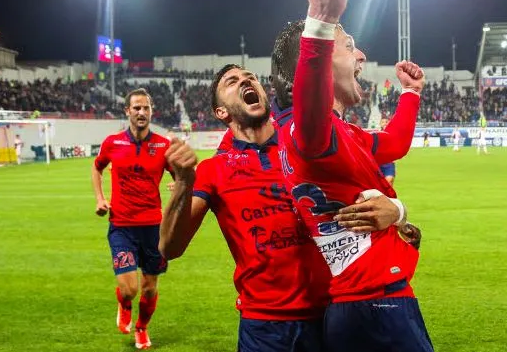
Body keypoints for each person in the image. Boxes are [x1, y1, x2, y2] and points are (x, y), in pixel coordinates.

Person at [159, 65, 407, 352]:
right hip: (264, 327)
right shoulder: (213, 170)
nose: (245, 81)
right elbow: (169, 248)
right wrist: (184, 183)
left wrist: (399, 212)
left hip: (335, 313)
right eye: (232, 82)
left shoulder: (309, 147)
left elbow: (373, 195)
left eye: (250, 77)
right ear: (221, 112)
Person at [276, 0, 432, 351]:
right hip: (376, 307)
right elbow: (310, 105)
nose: (361, 54)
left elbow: (393, 144)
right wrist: (321, 19)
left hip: (365, 303)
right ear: (321, 59)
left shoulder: (338, 133)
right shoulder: (307, 131)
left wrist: (411, 93)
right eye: (349, 46)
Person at [92, 88, 179, 350]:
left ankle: (142, 328)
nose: (141, 112)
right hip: (121, 226)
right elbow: (97, 168)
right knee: (129, 289)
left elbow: (181, 177)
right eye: (137, 108)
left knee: (150, 287)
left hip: (153, 228)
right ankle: (124, 302)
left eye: (146, 108)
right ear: (127, 111)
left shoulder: (163, 146)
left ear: (151, 111)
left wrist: (179, 185)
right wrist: (100, 199)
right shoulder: (112, 143)